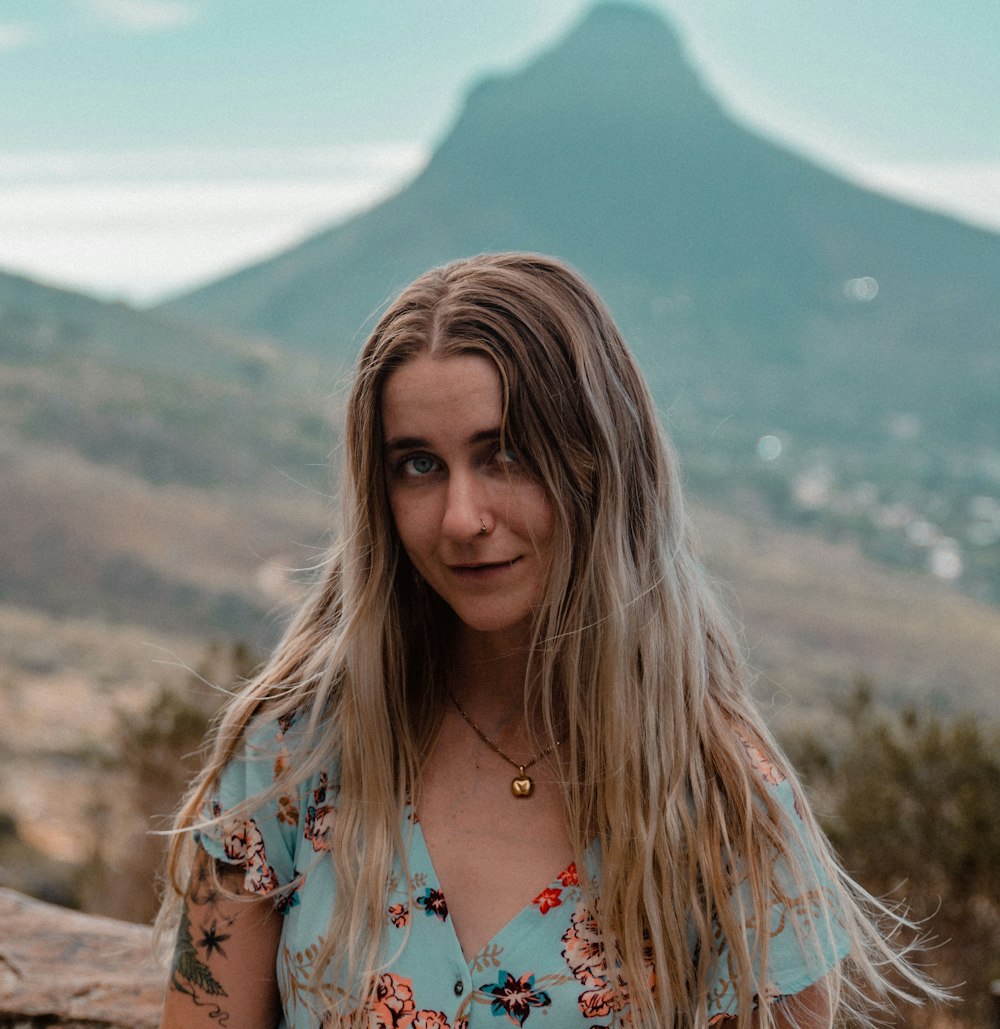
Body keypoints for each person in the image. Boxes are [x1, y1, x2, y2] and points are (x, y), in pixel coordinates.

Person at [159, 253, 942, 1028]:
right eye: (420, 465)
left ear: (599, 462)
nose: (462, 517)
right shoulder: (295, 754)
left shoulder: (724, 807)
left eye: (505, 454)